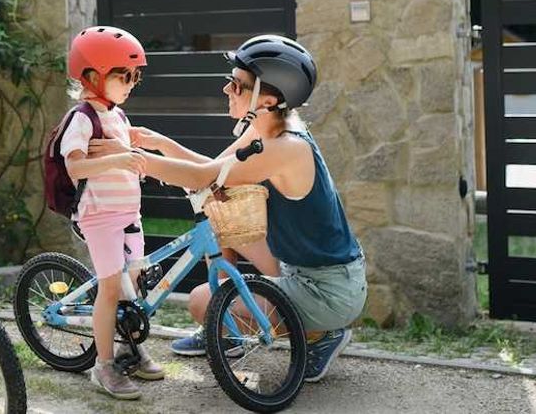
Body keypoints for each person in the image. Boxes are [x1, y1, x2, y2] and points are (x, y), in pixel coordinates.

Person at [118, 35, 366, 384]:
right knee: (222, 223)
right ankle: (225, 333)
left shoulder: (286, 147)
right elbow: (216, 169)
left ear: (266, 99)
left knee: (202, 303)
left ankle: (322, 335)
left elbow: (206, 177)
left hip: (327, 290)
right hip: (300, 268)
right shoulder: (265, 128)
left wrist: (135, 162)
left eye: (237, 84)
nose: (226, 89)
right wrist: (159, 144)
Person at [59, 26, 162, 401]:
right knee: (109, 289)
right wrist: (121, 157)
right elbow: (75, 167)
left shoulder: (117, 116)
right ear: (91, 76)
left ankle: (127, 349)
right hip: (100, 216)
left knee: (132, 286)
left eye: (136, 75)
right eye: (125, 75)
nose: (132, 83)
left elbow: (127, 158)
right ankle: (102, 366)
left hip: (128, 213)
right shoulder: (83, 118)